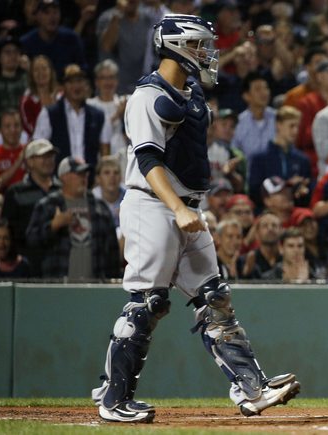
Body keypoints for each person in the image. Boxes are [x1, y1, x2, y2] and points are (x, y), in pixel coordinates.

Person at [90, 15, 299, 424]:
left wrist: (190, 206)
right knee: (148, 303)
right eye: (201, 45)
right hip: (153, 204)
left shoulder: (190, 92)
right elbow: (147, 158)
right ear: (177, 46)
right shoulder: (147, 96)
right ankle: (114, 398)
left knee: (215, 298)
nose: (208, 53)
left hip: (186, 206)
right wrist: (178, 207)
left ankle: (252, 389)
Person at [33, 63, 111, 177]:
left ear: (86, 85)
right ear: (63, 86)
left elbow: (105, 153)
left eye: (79, 81)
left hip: (89, 180)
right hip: (58, 182)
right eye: (71, 82)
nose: (76, 86)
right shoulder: (49, 114)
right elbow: (38, 148)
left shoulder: (98, 115)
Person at [1, 138, 60, 276]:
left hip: (58, 262)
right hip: (27, 263)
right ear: (29, 161)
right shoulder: (15, 192)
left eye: (51, 156)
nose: (48, 160)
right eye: (43, 157)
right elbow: (9, 230)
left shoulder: (62, 190)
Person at [0, 109, 26, 192]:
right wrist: (19, 161)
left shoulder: (30, 151)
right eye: (7, 126)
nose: (13, 130)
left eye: (16, 125)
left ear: (22, 128)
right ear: (0, 130)